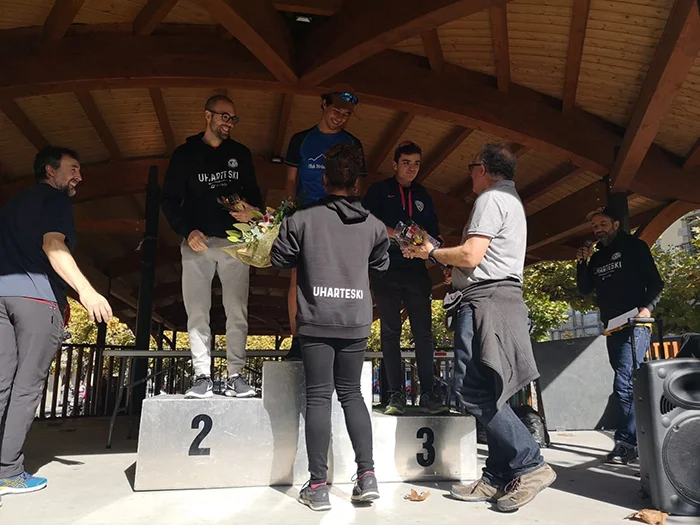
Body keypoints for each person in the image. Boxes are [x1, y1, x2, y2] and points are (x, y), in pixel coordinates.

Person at [404, 144, 556, 512]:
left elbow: (471, 254)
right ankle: (497, 475)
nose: (470, 174)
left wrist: (430, 252)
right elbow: (479, 260)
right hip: (497, 300)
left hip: (485, 303)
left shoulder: (490, 199)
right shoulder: (510, 201)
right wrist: (455, 269)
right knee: (491, 391)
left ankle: (531, 464)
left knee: (471, 389)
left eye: (472, 167)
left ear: (483, 169)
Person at [270, 143, 389, 511]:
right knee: (352, 394)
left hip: (316, 318)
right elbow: (381, 265)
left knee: (319, 397)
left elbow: (279, 258)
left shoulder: (302, 219)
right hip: (355, 320)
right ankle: (367, 476)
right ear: (357, 183)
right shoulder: (374, 225)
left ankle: (318, 486)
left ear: (324, 179)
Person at [0, 147, 112, 502]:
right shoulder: (56, 201)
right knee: (26, 388)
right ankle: (8, 473)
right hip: (36, 299)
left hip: (1, 295)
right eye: (73, 169)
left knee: (1, 384)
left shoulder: (13, 204)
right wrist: (87, 292)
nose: (79, 176)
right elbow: (53, 245)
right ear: (51, 171)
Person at [160, 94, 264, 399]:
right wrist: (187, 231)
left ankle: (236, 376)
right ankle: (201, 376)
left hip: (236, 243)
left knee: (237, 310)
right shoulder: (185, 154)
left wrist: (251, 212)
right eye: (224, 116)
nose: (229, 123)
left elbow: (255, 197)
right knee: (197, 311)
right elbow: (169, 200)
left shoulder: (241, 154)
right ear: (208, 116)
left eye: (233, 118)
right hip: (198, 243)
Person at [363, 140, 446, 415]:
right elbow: (367, 222)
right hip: (386, 269)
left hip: (416, 272)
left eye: (416, 163)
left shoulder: (424, 195)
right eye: (406, 162)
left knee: (424, 333)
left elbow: (434, 235)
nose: (412, 168)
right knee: (390, 332)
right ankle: (394, 394)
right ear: (394, 164)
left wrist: (434, 255)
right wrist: (397, 234)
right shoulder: (379, 191)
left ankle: (429, 394)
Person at [283, 87, 366, 360]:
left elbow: (358, 186)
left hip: (340, 219)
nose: (339, 117)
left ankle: (336, 338)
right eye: (335, 110)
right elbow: (291, 181)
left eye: (346, 114)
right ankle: (298, 340)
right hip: (306, 217)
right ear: (323, 104)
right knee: (299, 278)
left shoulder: (353, 143)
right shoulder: (301, 140)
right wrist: (289, 213)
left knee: (337, 278)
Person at [576, 206, 664, 464]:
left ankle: (627, 443)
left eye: (603, 223)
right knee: (627, 384)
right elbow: (585, 288)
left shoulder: (635, 247)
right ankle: (641, 439)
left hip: (635, 324)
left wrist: (647, 308)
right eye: (595, 226)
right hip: (612, 327)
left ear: (616, 224)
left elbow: (656, 282)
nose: (598, 229)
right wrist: (582, 263)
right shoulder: (597, 257)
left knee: (625, 383)